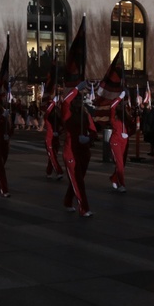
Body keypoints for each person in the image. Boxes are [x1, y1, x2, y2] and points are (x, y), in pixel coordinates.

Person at [61, 83, 98, 216]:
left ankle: (68, 201)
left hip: (84, 151)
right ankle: (84, 208)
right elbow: (65, 101)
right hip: (71, 151)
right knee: (78, 181)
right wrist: (76, 89)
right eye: (75, 98)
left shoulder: (85, 114)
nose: (77, 101)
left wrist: (88, 138)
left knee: (78, 179)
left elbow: (94, 131)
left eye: (79, 99)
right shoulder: (67, 113)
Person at [108, 93, 134, 192]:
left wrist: (128, 134)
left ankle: (114, 178)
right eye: (120, 104)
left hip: (125, 141)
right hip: (116, 141)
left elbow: (133, 128)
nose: (121, 105)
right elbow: (112, 106)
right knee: (119, 163)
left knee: (122, 164)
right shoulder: (113, 116)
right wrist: (119, 98)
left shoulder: (126, 117)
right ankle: (121, 184)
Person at [43, 95, 64, 180]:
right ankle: (59, 171)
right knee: (52, 156)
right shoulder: (48, 116)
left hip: (56, 138)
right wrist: (53, 102)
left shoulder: (58, 115)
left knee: (53, 156)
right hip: (49, 138)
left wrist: (59, 132)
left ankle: (49, 172)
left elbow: (64, 125)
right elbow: (47, 112)